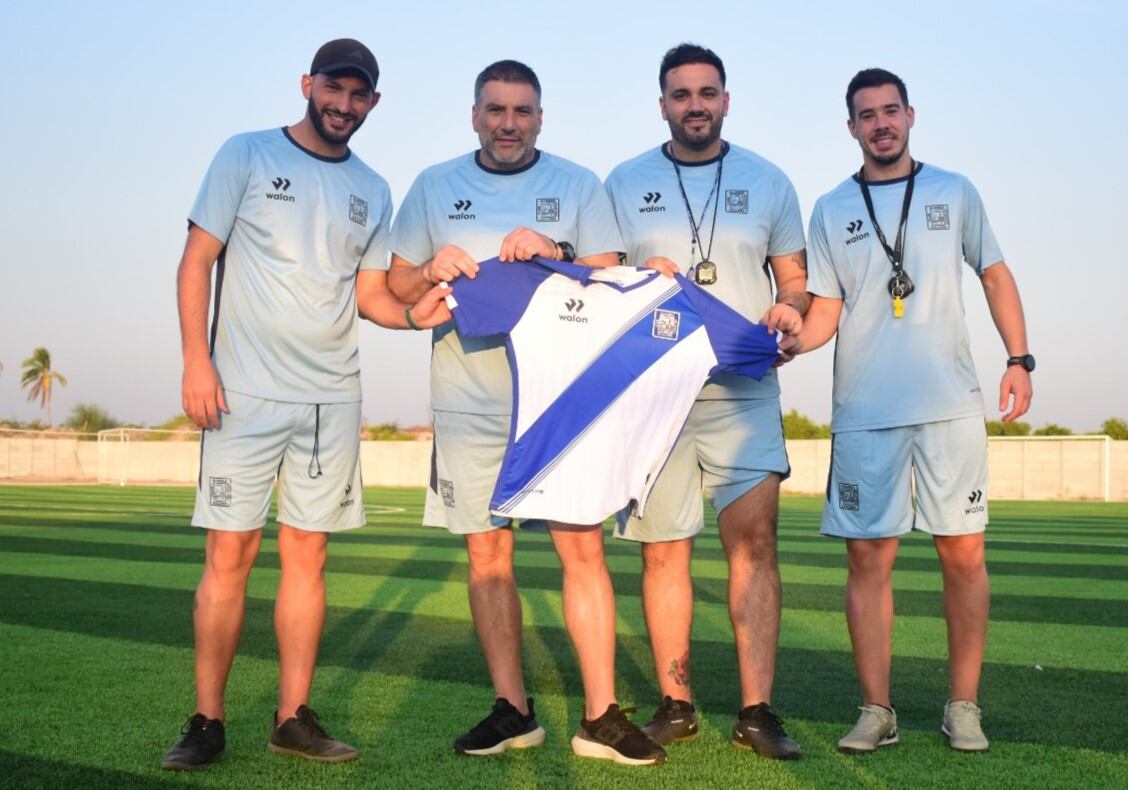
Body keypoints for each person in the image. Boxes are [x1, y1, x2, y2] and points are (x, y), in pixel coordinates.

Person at [162, 39, 451, 771]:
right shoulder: (247, 154)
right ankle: (206, 720)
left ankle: (292, 716)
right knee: (230, 552)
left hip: (329, 399)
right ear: (308, 84)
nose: (344, 105)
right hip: (242, 394)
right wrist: (197, 360)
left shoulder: (374, 188)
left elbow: (371, 299)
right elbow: (198, 257)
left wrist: (428, 312)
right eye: (334, 88)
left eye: (359, 95)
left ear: (373, 103)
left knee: (307, 557)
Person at [386, 60, 665, 766]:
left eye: (522, 111)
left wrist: (558, 252)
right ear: (474, 114)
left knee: (582, 548)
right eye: (495, 109)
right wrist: (428, 268)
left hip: (559, 397)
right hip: (467, 400)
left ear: (540, 118)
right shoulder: (432, 186)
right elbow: (395, 283)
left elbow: (610, 275)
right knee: (487, 554)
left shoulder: (576, 184)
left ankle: (600, 715)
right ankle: (513, 709)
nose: (508, 122)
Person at [796, 67, 1033, 754]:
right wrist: (785, 341)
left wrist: (1020, 358)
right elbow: (827, 312)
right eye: (866, 114)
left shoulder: (954, 191)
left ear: (911, 115)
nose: (881, 123)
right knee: (868, 560)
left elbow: (993, 271)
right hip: (864, 410)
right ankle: (877, 710)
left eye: (890, 110)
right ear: (851, 128)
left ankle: (964, 706)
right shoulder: (830, 207)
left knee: (963, 553)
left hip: (949, 406)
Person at [604, 43, 808, 760]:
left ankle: (757, 712)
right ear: (662, 104)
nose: (696, 104)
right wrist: (636, 275)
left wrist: (789, 310)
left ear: (726, 100)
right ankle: (677, 703)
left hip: (742, 390)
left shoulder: (768, 179)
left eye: (708, 93)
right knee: (663, 553)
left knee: (754, 548)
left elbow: (794, 280)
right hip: (656, 395)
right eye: (681, 94)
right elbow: (598, 283)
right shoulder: (624, 181)